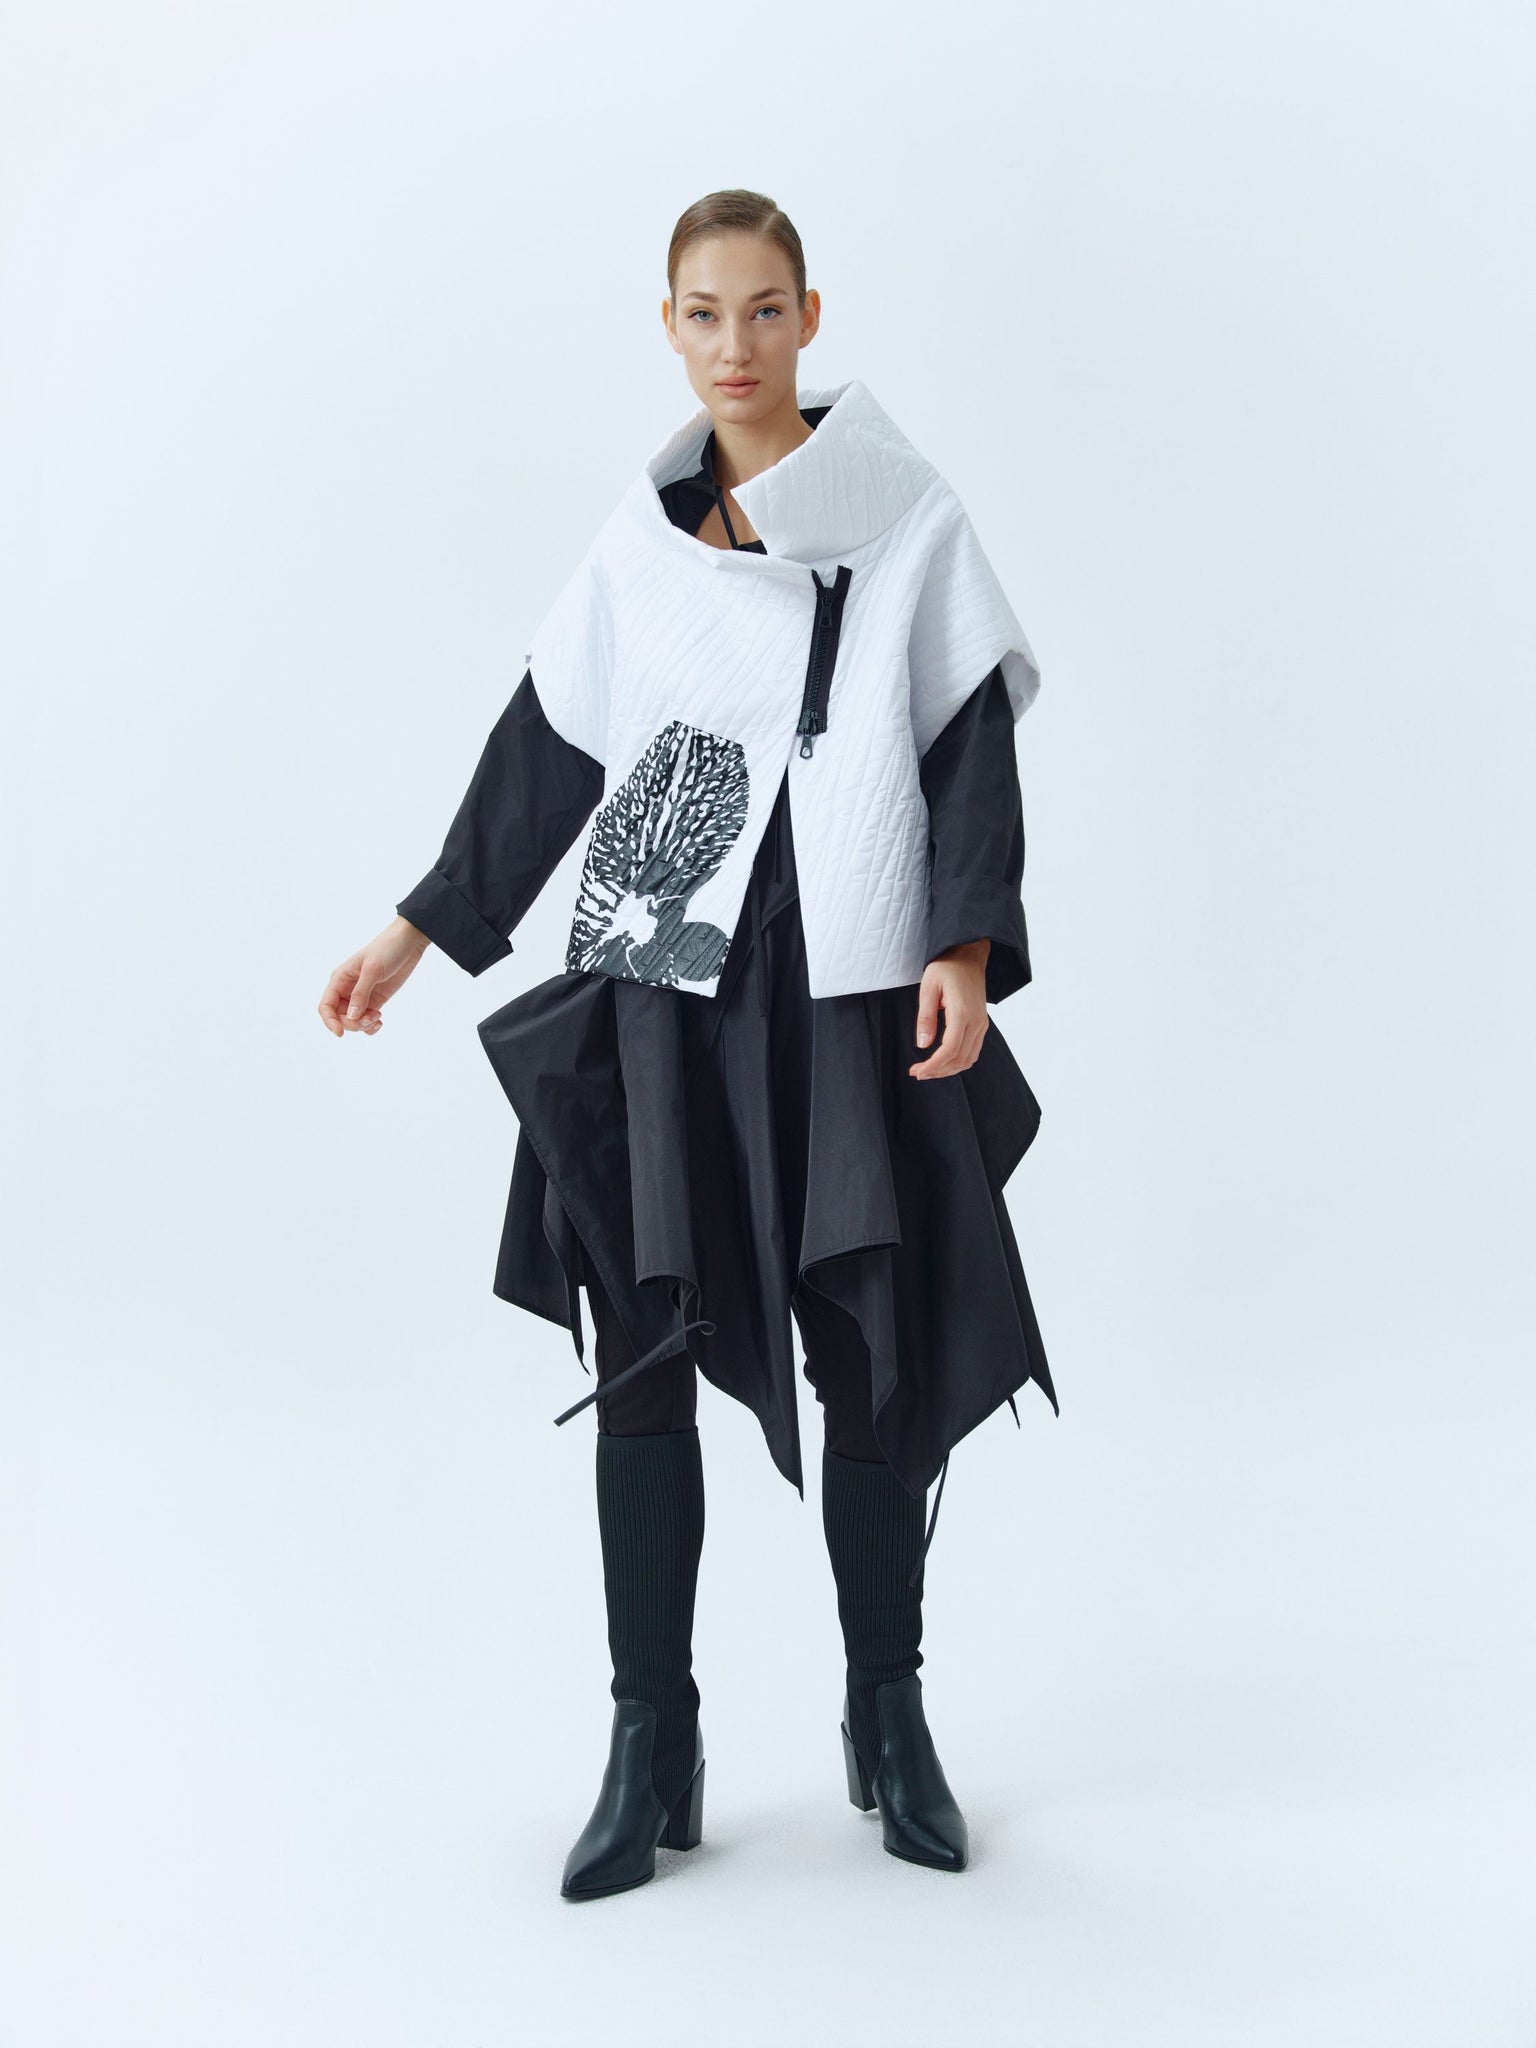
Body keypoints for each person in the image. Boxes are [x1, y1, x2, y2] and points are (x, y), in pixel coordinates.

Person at [318, 189, 1058, 1902]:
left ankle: (889, 1713)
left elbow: (966, 745)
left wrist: (961, 945)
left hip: (850, 967)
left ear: (811, 316)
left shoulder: (907, 519)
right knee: (646, 1346)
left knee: (866, 1344)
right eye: (705, 315)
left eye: (765, 311)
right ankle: (652, 1735)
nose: (737, 346)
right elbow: (546, 748)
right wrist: (416, 930)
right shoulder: (638, 547)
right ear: (670, 326)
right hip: (664, 956)